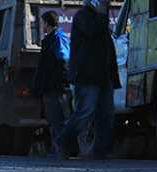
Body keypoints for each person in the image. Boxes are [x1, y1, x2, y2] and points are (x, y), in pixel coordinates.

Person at [57, 0, 120, 159]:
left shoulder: (101, 19)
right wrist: (101, 14)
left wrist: (113, 75)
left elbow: (107, 49)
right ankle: (63, 141)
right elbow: (92, 32)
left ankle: (101, 150)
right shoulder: (83, 17)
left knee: (106, 114)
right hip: (86, 76)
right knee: (85, 112)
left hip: (103, 76)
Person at [32, 11, 71, 158]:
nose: (41, 25)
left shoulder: (57, 39)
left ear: (48, 23)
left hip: (56, 87)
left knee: (57, 119)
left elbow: (63, 61)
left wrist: (57, 82)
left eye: (43, 23)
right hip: (52, 87)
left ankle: (62, 150)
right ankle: (59, 149)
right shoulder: (52, 39)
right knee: (55, 119)